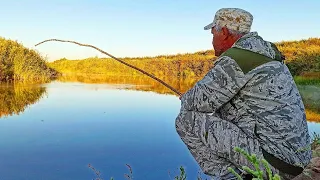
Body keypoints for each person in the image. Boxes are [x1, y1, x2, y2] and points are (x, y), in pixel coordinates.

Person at [175, 8, 312, 180]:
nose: (212, 40)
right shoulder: (266, 54)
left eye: (213, 33)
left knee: (186, 120)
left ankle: (232, 177)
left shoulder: (238, 59)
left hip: (277, 165)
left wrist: (187, 97)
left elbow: (192, 103)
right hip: (297, 159)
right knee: (221, 112)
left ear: (224, 32)